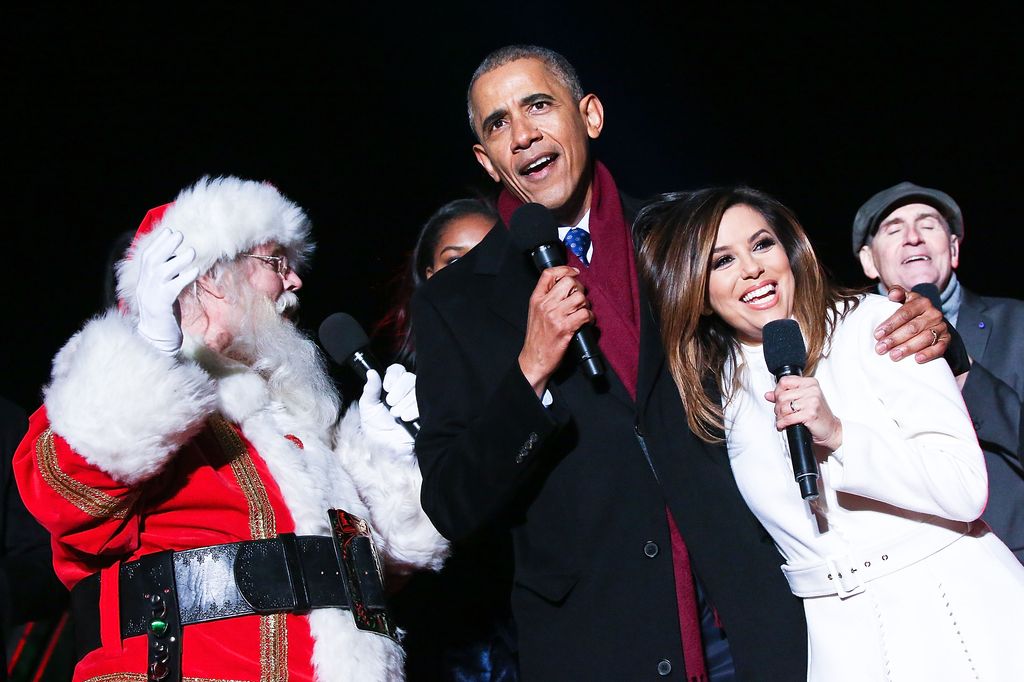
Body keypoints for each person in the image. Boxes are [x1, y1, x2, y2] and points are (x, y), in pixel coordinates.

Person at [414, 44, 942, 681]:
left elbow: (793, 314)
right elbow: (451, 502)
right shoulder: (455, 301)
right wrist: (529, 369)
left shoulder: (682, 233)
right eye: (498, 124)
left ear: (590, 116)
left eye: (538, 106)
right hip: (599, 639)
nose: (523, 134)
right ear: (487, 161)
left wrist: (926, 327)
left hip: (749, 609)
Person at [14, 176, 448, 682]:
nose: (294, 282)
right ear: (214, 275)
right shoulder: (118, 382)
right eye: (275, 263)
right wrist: (152, 352)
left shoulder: (293, 418)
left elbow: (366, 575)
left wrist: (382, 456)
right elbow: (63, 493)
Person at [637, 186, 1024, 680]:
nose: (752, 268)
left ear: (789, 251)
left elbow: (965, 489)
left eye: (761, 245)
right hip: (838, 640)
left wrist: (840, 434)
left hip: (952, 611)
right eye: (722, 261)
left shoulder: (878, 325)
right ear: (697, 290)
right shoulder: (719, 395)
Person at [377, 197, 517, 682]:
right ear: (428, 277)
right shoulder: (393, 393)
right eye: (457, 261)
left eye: (490, 256)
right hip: (455, 640)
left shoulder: (552, 364)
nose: (475, 274)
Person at [854, 181, 1024, 560]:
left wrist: (964, 373)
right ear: (868, 261)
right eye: (893, 229)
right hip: (916, 572)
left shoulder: (1017, 324)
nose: (913, 237)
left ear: (953, 249)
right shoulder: (848, 350)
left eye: (928, 225)